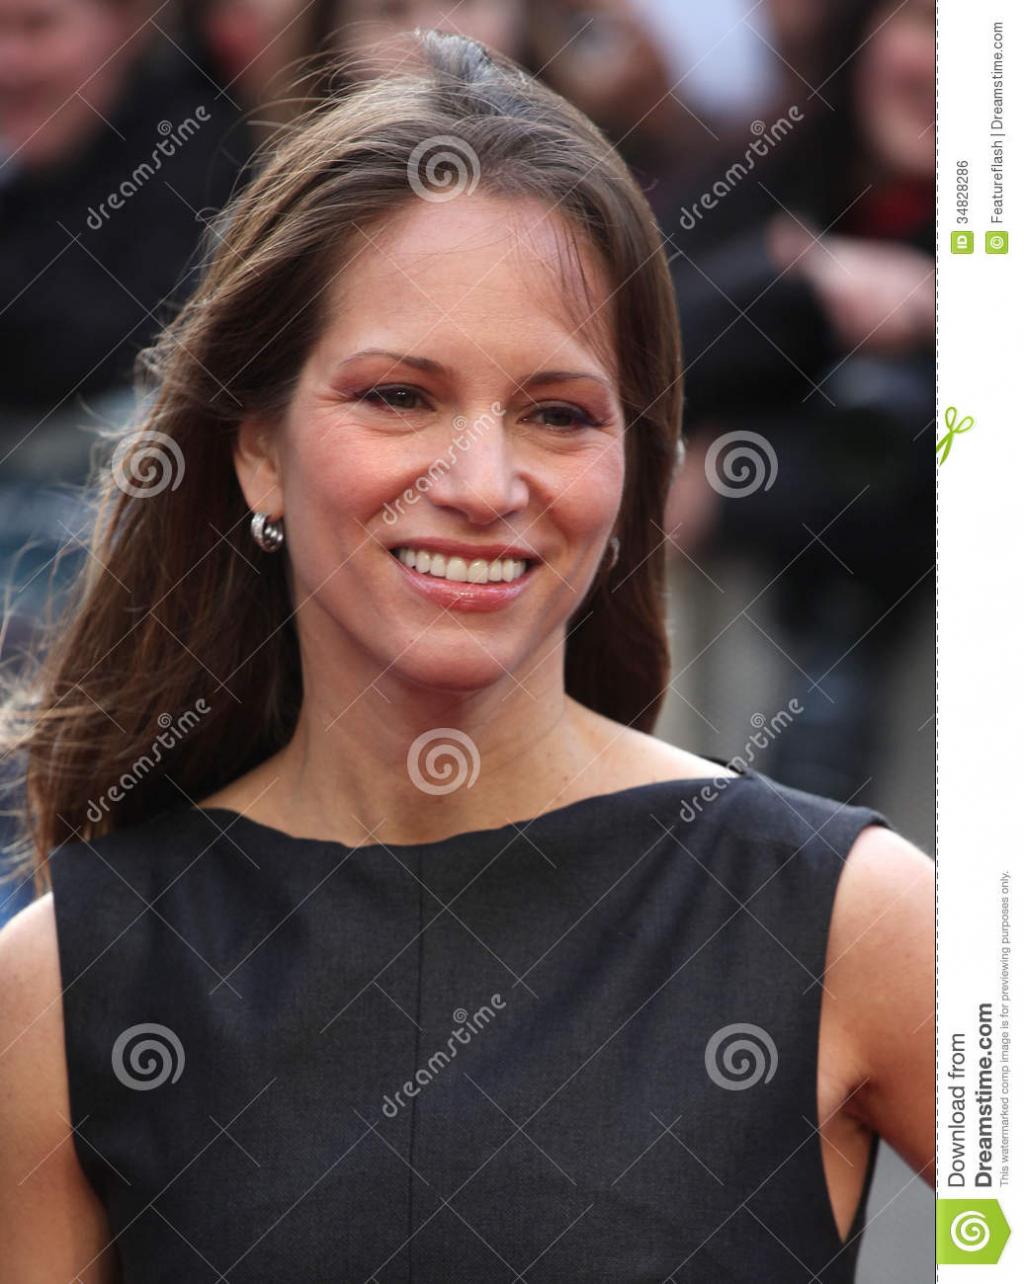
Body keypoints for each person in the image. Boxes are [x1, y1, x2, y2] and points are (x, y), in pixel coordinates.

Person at [0, 31, 933, 1282]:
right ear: (257, 448)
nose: (484, 485)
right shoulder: (63, 984)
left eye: (557, 413)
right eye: (399, 396)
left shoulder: (847, 917)